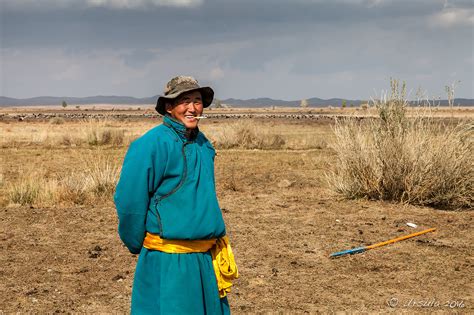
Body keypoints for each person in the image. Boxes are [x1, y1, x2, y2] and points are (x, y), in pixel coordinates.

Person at [114, 76, 238, 314]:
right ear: (169, 107)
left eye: (197, 101)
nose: (192, 108)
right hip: (168, 260)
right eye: (184, 101)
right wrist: (138, 243)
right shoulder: (150, 145)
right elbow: (130, 201)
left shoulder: (203, 144)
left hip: (205, 258)